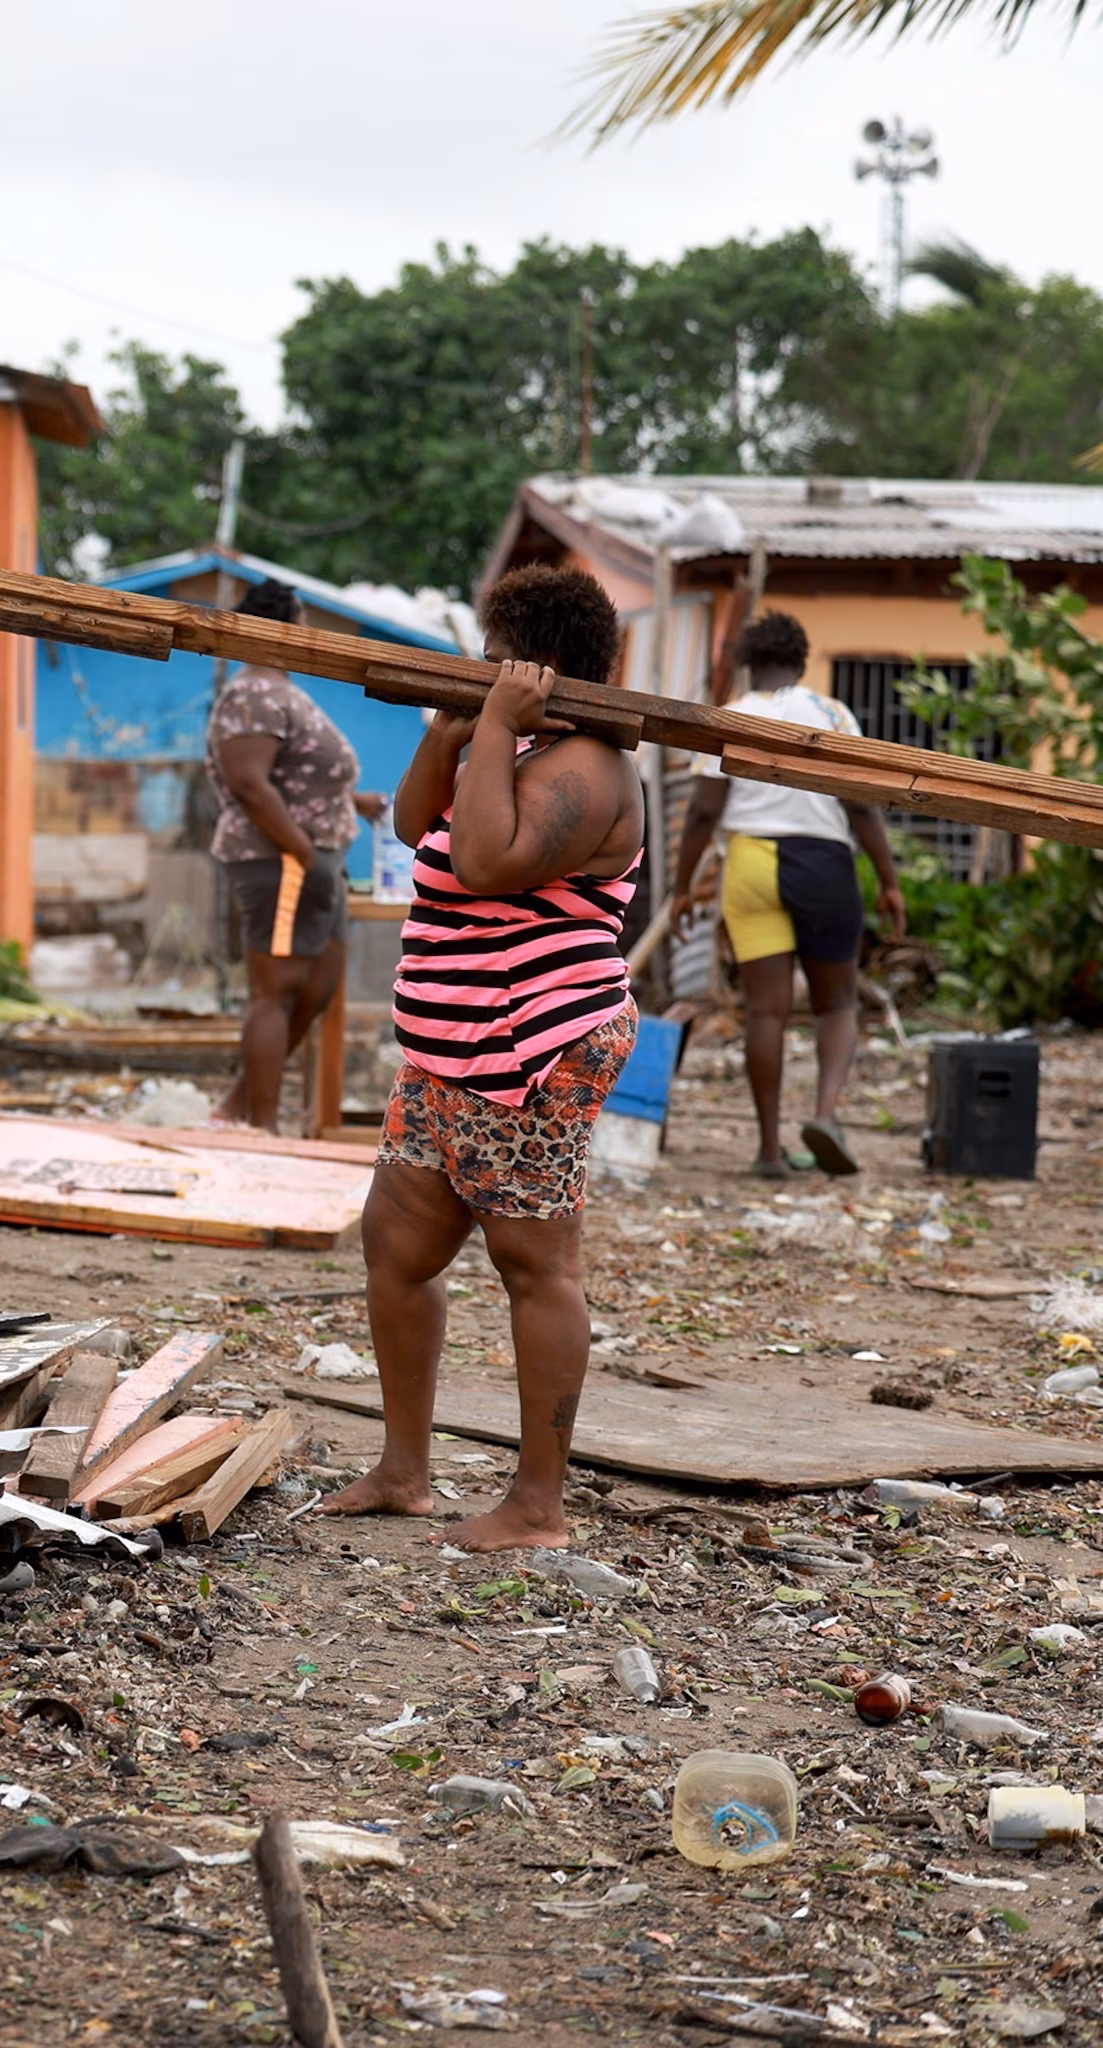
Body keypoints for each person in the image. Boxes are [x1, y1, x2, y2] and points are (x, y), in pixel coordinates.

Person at [320, 564, 643, 1552]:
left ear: (538, 665)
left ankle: (538, 1504)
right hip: (448, 1050)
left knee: (533, 1263)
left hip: (538, 1048)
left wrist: (497, 728)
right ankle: (404, 1470)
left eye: (497, 652)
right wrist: (452, 729)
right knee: (398, 1249)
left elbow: (489, 861)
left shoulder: (588, 766)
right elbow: (420, 826)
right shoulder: (514, 745)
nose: (481, 665)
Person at [664, 611, 905, 1178]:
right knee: (837, 1002)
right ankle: (824, 1114)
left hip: (750, 861)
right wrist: (889, 881)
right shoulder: (831, 714)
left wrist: (681, 888)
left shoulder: (730, 716)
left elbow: (702, 810)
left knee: (766, 1012)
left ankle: (770, 1150)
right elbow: (861, 804)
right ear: (801, 663)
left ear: (749, 666)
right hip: (824, 860)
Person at [205, 579, 386, 1128]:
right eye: (301, 622)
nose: (307, 635)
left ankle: (238, 1107)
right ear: (280, 626)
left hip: (314, 858)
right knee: (277, 991)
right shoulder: (253, 693)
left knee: (319, 984)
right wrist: (303, 851)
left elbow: (297, 776)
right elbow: (250, 785)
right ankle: (261, 1127)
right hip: (280, 859)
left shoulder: (279, 691)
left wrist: (352, 801)